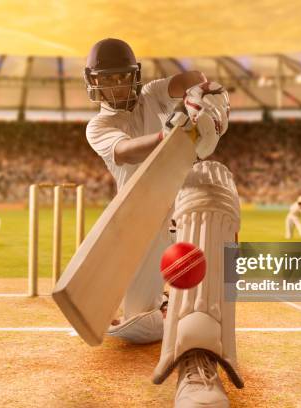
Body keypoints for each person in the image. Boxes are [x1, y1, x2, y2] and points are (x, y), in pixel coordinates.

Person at [84, 38, 241, 407]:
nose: (117, 85)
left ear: (134, 76)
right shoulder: (100, 125)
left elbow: (192, 78)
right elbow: (125, 151)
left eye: (124, 77)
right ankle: (168, 308)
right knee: (135, 326)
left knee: (208, 181)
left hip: (189, 199)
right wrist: (173, 132)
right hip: (142, 217)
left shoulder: (153, 93)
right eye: (109, 80)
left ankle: (198, 353)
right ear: (94, 83)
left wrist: (203, 94)